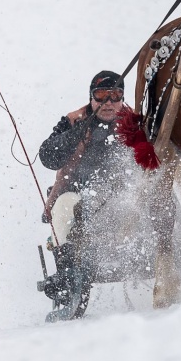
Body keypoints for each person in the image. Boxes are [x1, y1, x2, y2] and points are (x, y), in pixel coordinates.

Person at [38, 71, 131, 306]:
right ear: (92, 98)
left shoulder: (136, 123)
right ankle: (67, 274)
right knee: (63, 207)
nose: (108, 103)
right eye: (101, 95)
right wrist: (74, 135)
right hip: (77, 193)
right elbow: (48, 156)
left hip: (122, 194)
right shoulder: (73, 120)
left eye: (115, 96)